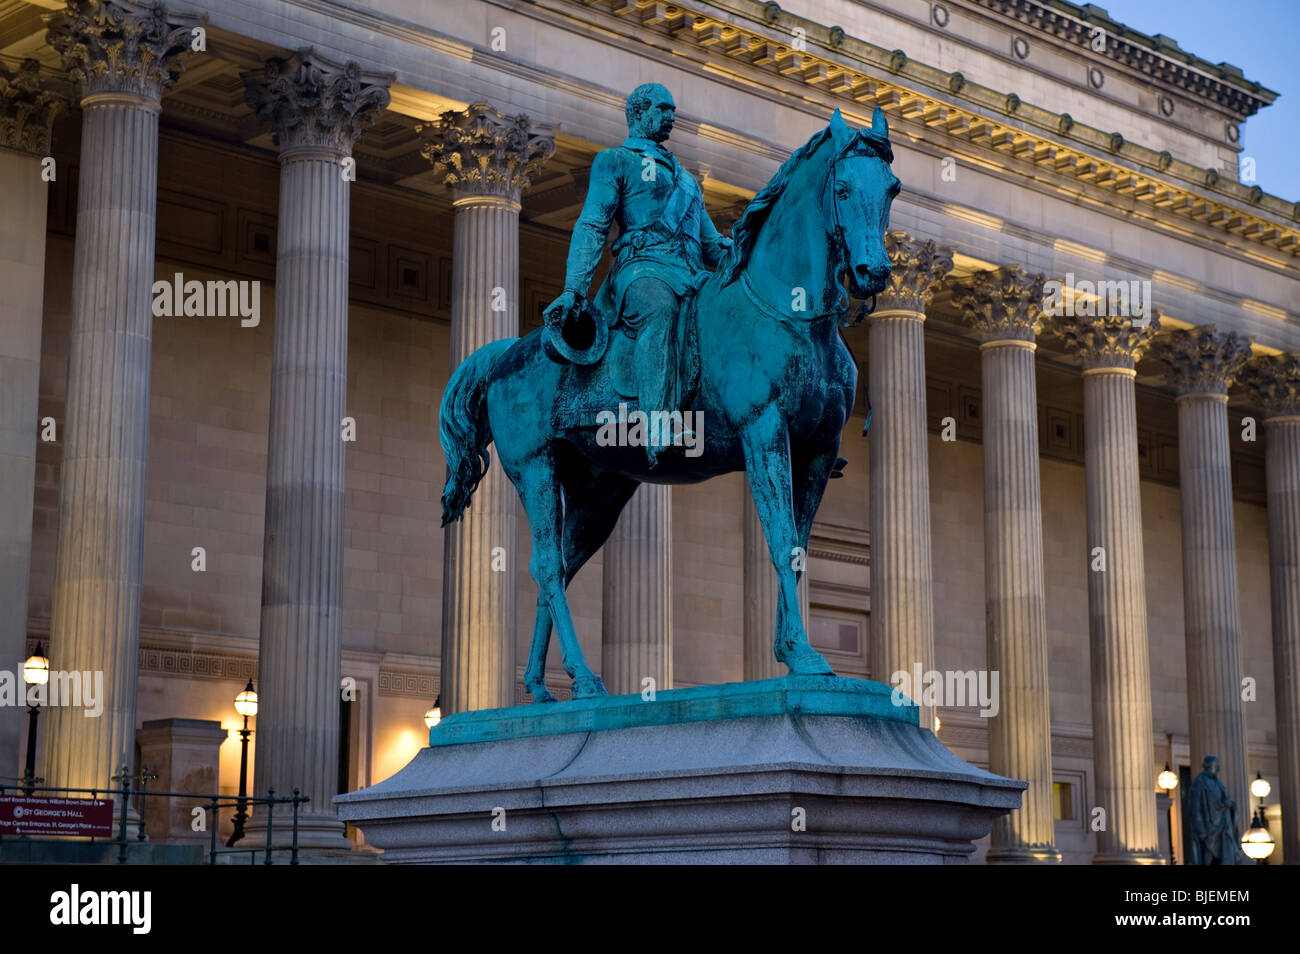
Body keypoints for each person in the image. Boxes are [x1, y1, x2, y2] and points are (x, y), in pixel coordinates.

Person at [544, 83, 732, 465]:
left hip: (692, 276)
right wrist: (573, 290)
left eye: (673, 109)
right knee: (660, 310)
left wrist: (754, 246)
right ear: (639, 112)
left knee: (735, 314)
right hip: (641, 269)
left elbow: (712, 246)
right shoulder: (616, 161)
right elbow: (593, 225)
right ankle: (657, 424)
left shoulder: (687, 182)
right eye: (663, 109)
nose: (671, 116)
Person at [1187, 755, 1244, 865]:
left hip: (1221, 825)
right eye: (1216, 766)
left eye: (1218, 766)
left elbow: (1222, 801)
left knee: (1224, 856)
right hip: (1208, 828)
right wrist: (1201, 830)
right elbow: (1195, 809)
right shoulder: (1199, 783)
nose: (1218, 769)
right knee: (1207, 858)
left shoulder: (1218, 782)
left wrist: (1230, 804)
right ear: (1208, 766)